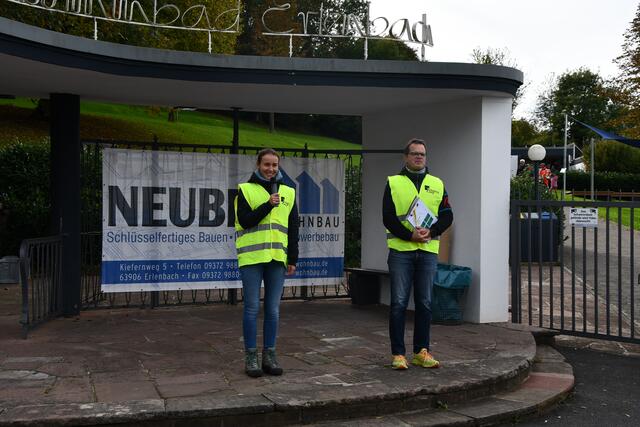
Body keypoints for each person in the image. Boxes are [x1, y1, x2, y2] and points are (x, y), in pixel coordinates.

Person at [382, 138, 453, 370]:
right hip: (401, 251)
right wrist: (409, 235)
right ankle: (398, 354)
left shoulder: (437, 183)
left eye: (422, 154)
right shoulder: (394, 182)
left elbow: (447, 215)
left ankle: (421, 351)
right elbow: (388, 217)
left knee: (425, 303)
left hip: (428, 251)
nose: (419, 157)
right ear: (406, 157)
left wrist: (432, 231)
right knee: (398, 303)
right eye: (414, 153)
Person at [235, 148, 299, 377]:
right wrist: (268, 205)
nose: (271, 169)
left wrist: (292, 258)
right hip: (252, 258)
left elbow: (293, 227)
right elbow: (245, 221)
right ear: (258, 165)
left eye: (274, 165)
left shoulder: (289, 192)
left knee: (273, 309)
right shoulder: (245, 190)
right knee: (252, 308)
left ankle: (269, 355)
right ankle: (251, 357)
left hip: (277, 258)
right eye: (266, 164)